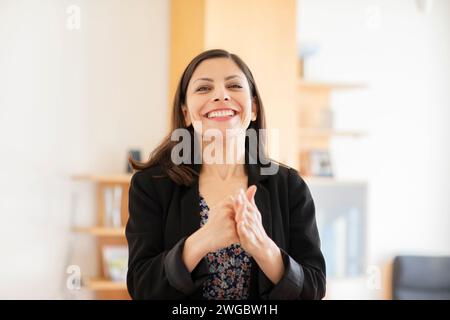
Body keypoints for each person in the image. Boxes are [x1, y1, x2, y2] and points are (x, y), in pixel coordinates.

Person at [126, 49, 326, 300]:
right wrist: (201, 241)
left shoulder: (290, 186)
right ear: (186, 112)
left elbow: (314, 288)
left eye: (233, 85)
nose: (221, 95)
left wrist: (264, 247)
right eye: (203, 89)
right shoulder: (151, 186)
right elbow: (142, 286)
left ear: (253, 108)